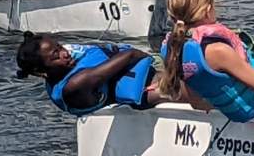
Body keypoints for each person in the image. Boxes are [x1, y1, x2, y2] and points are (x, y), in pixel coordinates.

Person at [15, 32, 170, 115]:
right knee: (178, 88)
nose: (65, 53)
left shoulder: (63, 67)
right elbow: (130, 54)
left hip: (144, 74)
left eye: (60, 47)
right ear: (41, 71)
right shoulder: (73, 85)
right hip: (143, 95)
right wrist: (153, 59)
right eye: (55, 56)